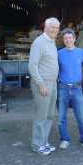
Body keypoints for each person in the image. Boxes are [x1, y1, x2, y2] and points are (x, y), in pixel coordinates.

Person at [28, 17, 60, 155]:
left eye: (57, 27)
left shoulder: (52, 41)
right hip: (43, 84)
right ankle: (37, 145)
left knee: (50, 115)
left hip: (52, 83)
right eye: (52, 27)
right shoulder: (39, 43)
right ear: (45, 27)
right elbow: (32, 66)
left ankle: (44, 142)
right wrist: (41, 84)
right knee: (41, 116)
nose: (54, 30)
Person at [57, 28, 83, 150]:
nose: (68, 40)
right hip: (63, 88)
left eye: (70, 38)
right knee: (61, 117)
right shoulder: (59, 53)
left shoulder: (82, 52)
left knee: (82, 117)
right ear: (63, 40)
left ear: (74, 39)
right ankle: (65, 139)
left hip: (77, 88)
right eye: (65, 38)